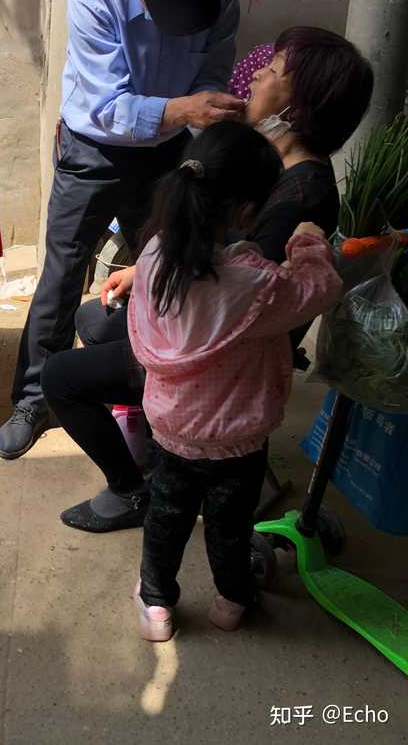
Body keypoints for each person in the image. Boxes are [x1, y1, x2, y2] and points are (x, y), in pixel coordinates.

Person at [42, 26, 374, 532]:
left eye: (275, 70)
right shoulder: (271, 163)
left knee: (60, 376)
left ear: (299, 109)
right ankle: (155, 442)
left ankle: (132, 490)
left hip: (217, 358)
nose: (258, 72)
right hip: (213, 325)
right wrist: (143, 268)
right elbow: (219, 256)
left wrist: (155, 270)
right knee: (96, 315)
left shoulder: (300, 196)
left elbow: (232, 292)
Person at [0, 0, 244, 460]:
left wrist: (205, 127)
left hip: (171, 147)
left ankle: (156, 386)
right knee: (62, 272)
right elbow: (109, 106)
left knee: (165, 268)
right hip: (94, 145)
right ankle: (34, 397)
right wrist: (185, 109)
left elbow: (213, 70)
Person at [125, 123, 342, 639]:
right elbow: (318, 289)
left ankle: (156, 606)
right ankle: (231, 602)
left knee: (167, 518)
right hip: (236, 443)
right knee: (228, 528)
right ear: (247, 213)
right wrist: (309, 243)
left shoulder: (154, 256)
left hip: (173, 429)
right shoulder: (255, 287)